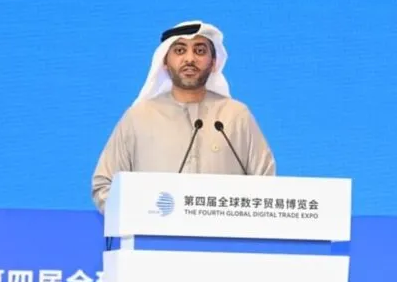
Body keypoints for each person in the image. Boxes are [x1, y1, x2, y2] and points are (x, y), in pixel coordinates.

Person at [90, 20, 276, 213]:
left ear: (214, 63)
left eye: (200, 51)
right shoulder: (138, 118)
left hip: (225, 241)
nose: (190, 59)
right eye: (180, 51)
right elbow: (104, 185)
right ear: (164, 61)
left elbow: (267, 184)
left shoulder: (236, 116)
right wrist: (140, 216)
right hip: (155, 240)